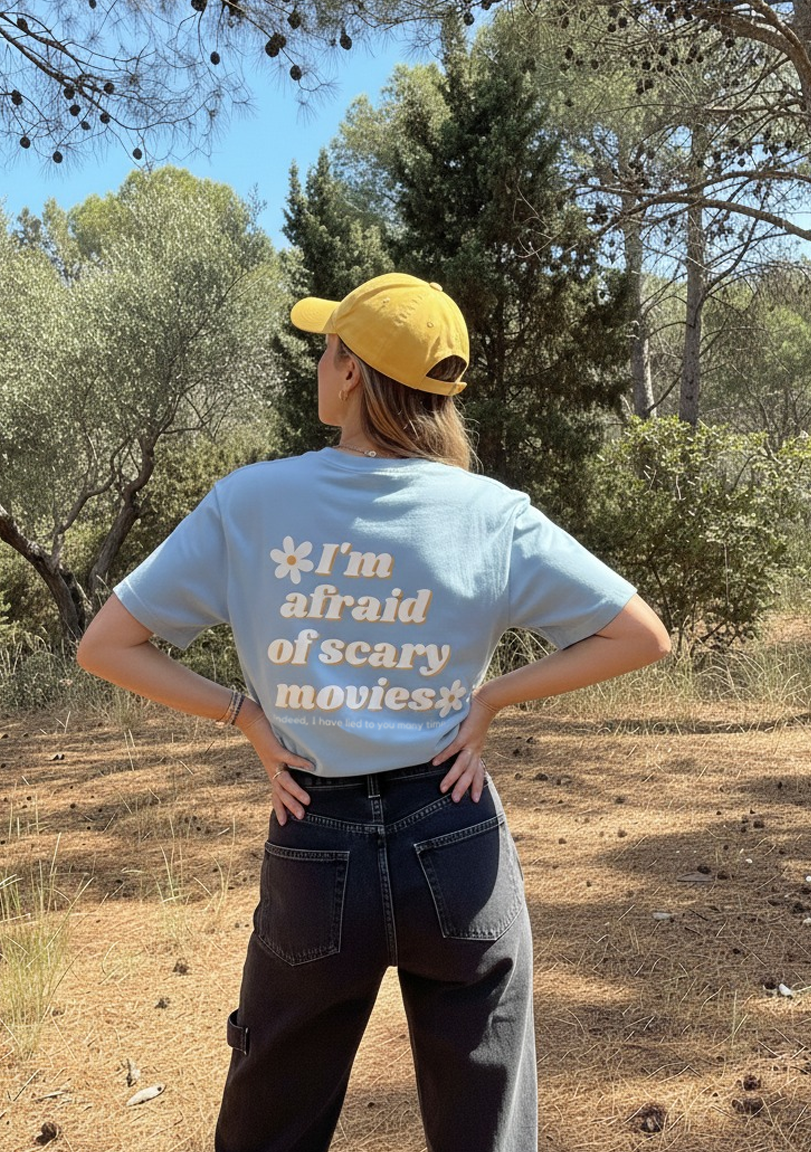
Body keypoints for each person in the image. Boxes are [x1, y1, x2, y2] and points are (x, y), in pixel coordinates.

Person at [77, 272, 670, 1152]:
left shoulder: (250, 502)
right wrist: (492, 698)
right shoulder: (490, 514)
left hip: (314, 836)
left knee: (271, 1120)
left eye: (327, 349)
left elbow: (105, 645)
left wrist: (243, 713)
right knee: (486, 1123)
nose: (320, 364)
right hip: (455, 831)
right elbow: (641, 635)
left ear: (352, 374)